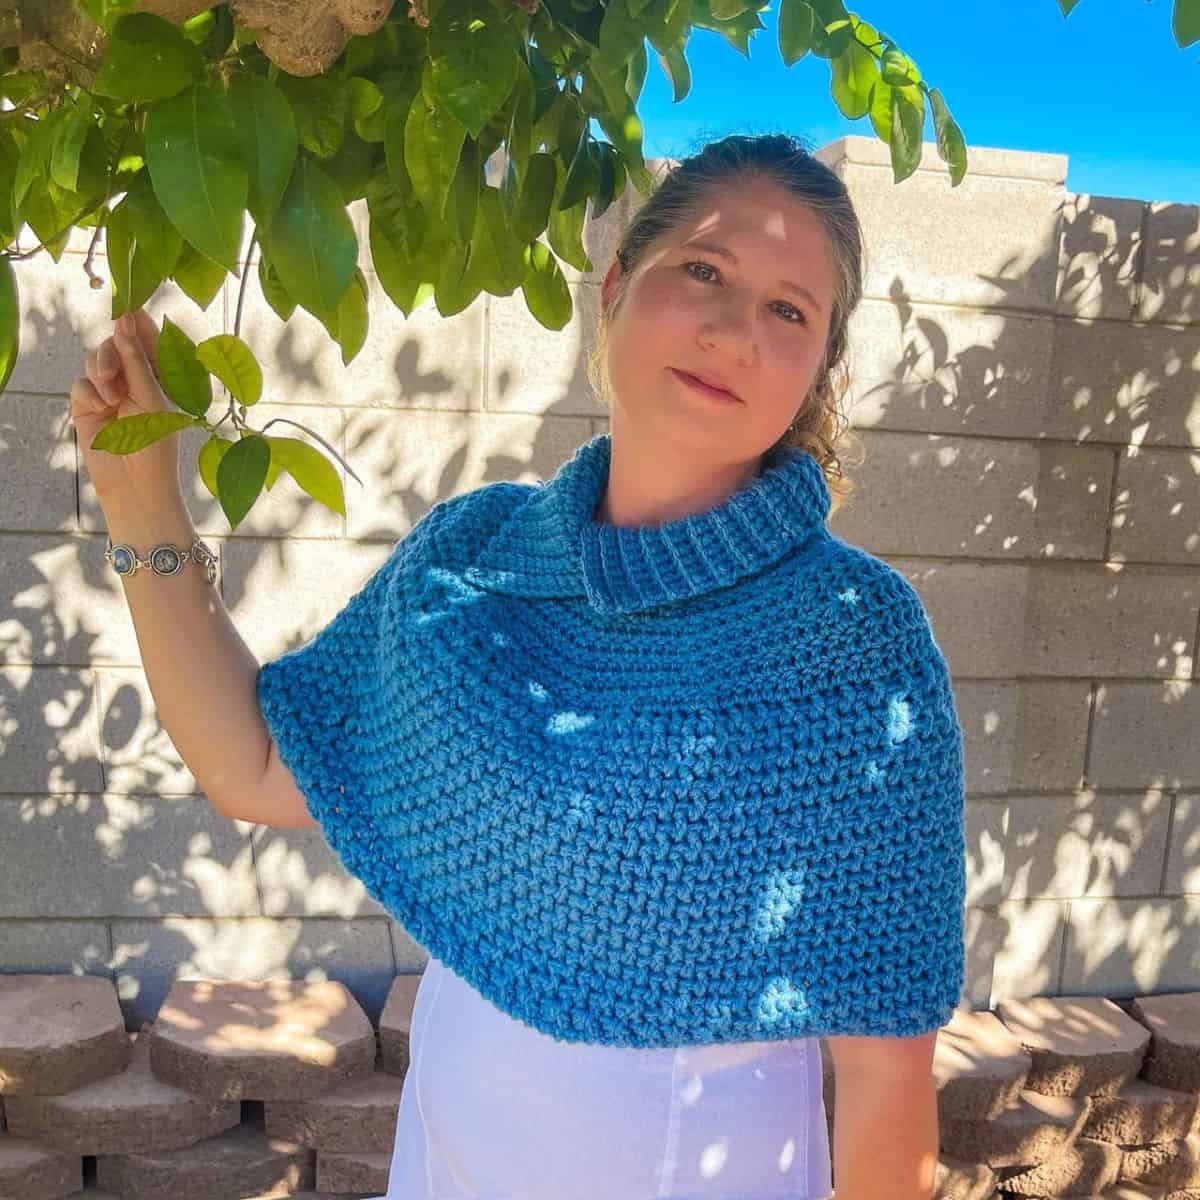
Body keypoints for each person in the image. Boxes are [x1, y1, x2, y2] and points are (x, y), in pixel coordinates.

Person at [72, 132, 966, 1200]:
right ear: (618, 286)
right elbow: (257, 766)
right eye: (705, 271)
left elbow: (885, 1073)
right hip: (449, 1157)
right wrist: (141, 505)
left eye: (790, 311)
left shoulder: (850, 638)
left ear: (821, 365)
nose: (734, 330)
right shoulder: (471, 558)